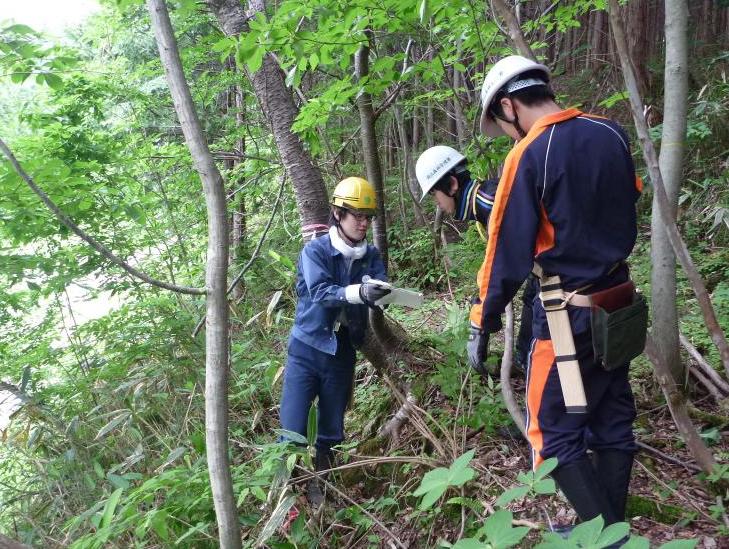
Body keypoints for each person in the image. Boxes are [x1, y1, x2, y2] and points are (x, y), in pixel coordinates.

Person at [468, 55, 643, 531]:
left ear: (509, 105)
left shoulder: (529, 153)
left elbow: (506, 253)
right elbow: (630, 196)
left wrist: (481, 320)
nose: (507, 132)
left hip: (567, 315)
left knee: (551, 433)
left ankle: (605, 539)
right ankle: (612, 526)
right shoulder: (611, 133)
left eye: (503, 123)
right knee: (611, 419)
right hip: (619, 301)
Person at [279, 176, 389, 506]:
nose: (363, 222)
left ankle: (323, 493)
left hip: (342, 352)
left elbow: (380, 285)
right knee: (292, 429)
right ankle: (286, 498)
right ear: (338, 214)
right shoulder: (315, 251)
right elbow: (321, 292)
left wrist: (383, 293)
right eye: (357, 215)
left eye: (368, 216)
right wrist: (359, 291)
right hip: (306, 348)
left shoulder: (370, 255)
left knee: (331, 430)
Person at [414, 145, 538, 373]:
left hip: (566, 277)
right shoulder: (487, 198)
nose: (437, 203)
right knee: (533, 298)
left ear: (451, 185)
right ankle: (525, 361)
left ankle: (533, 366)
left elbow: (503, 268)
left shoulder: (491, 203)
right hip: (548, 272)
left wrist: (478, 325)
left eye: (434, 194)